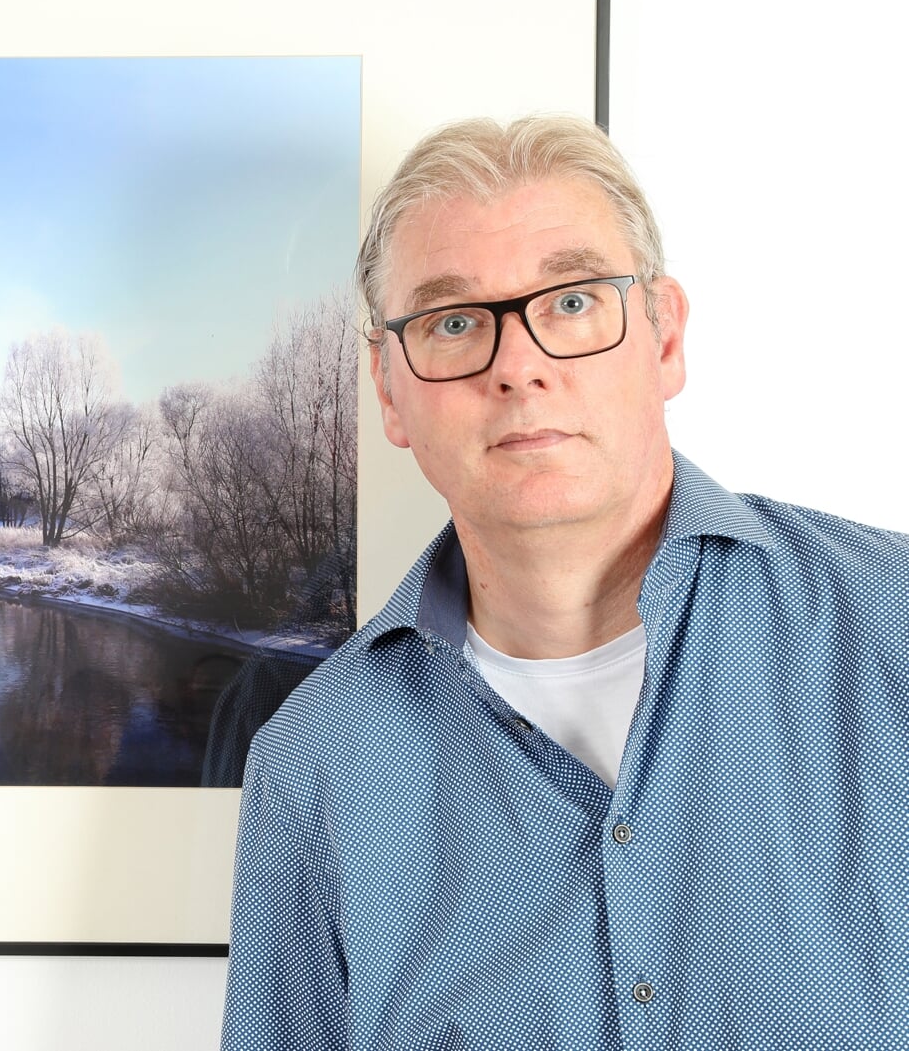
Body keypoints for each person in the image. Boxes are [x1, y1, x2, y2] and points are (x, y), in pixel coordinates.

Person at [219, 115, 909, 1049]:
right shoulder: (316, 770)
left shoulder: (891, 625)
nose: (519, 365)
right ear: (389, 390)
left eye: (573, 302)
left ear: (664, 338)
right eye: (453, 321)